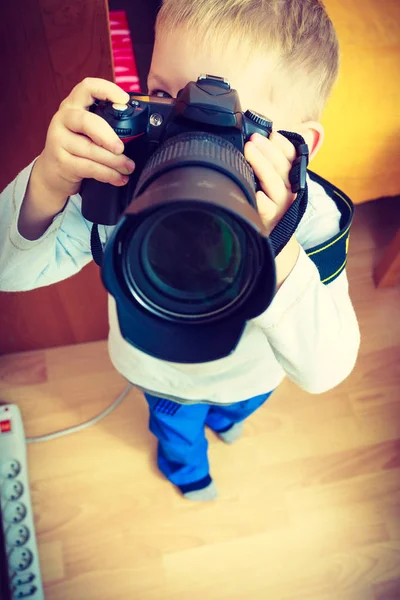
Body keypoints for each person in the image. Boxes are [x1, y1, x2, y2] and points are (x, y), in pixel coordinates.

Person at [0, 0, 360, 501]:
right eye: (165, 96)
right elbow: (7, 271)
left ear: (299, 144)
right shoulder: (125, 176)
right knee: (177, 433)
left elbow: (325, 370)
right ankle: (186, 472)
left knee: (238, 409)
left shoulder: (312, 216)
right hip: (160, 375)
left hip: (250, 378)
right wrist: (46, 183)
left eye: (230, 121)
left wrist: (276, 244)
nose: (191, 132)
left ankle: (229, 420)